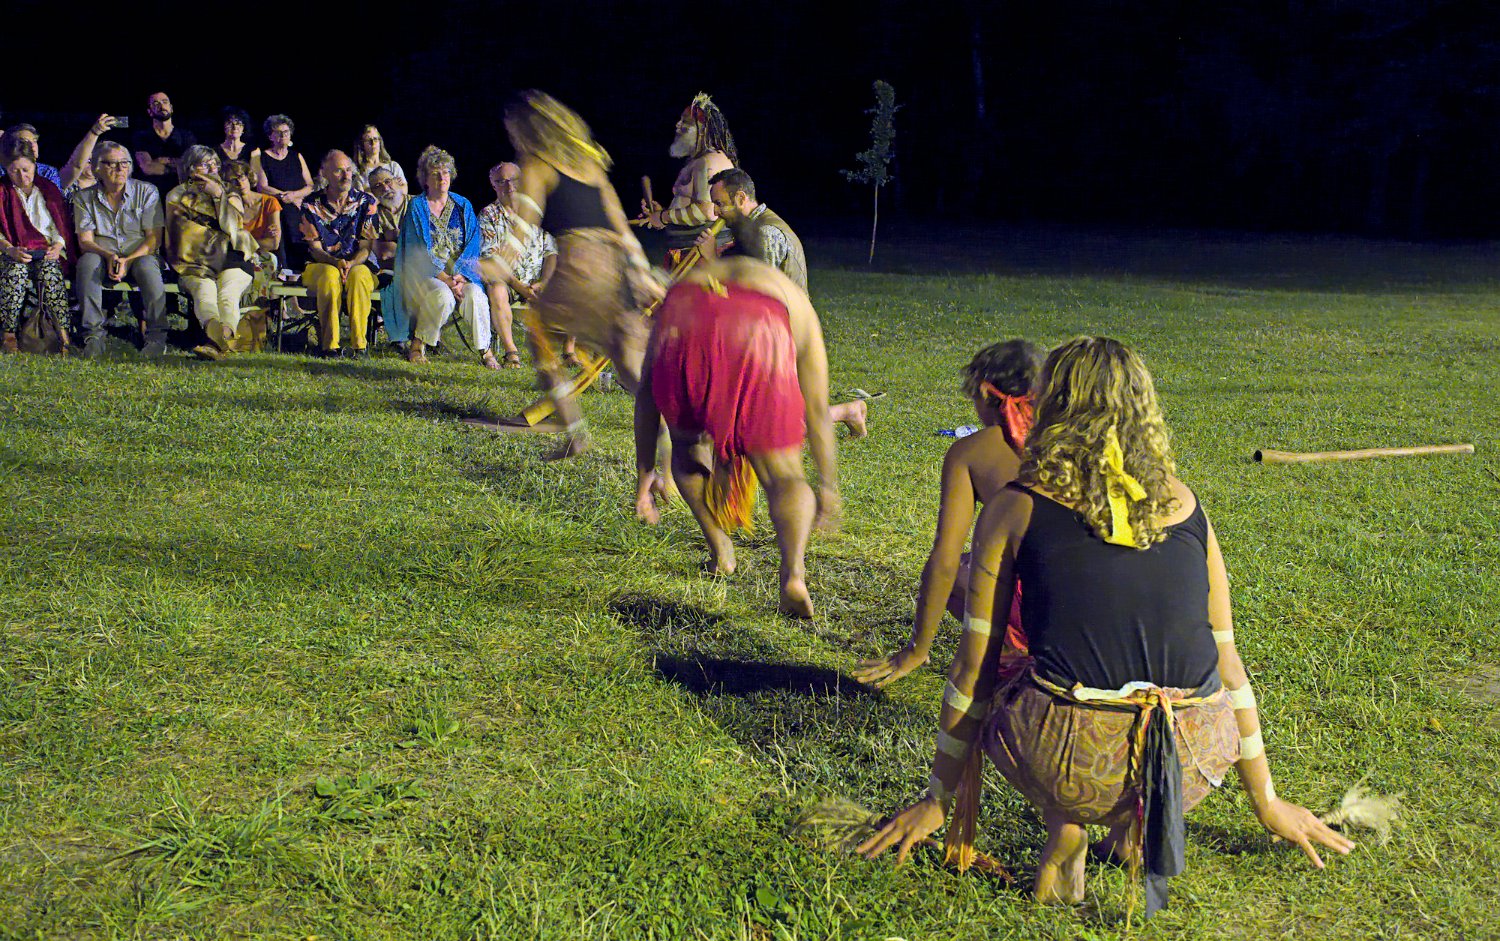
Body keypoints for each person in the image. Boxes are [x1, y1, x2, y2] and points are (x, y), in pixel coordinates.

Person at [857, 337, 1355, 916]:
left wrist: (939, 799)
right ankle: (1136, 821)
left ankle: (1069, 823)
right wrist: (1266, 800)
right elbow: (1229, 664)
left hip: (1069, 759)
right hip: (1190, 758)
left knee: (1013, 669)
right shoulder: (1189, 505)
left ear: (1053, 404)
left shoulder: (1015, 507)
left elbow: (973, 670)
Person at [633, 255, 838, 618]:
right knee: (785, 475)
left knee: (686, 450)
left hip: (685, 318)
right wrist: (827, 483)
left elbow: (648, 392)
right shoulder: (793, 298)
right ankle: (793, 573)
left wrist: (645, 472)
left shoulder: (689, 282)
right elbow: (818, 408)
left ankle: (720, 549)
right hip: (761, 327)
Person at [483, 90, 664, 457]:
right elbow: (623, 232)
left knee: (538, 331)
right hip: (616, 270)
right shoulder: (592, 166)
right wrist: (643, 274)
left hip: (579, 266)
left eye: (513, 130)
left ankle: (575, 432)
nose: (513, 138)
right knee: (631, 367)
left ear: (529, 129)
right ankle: (673, 454)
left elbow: (525, 222)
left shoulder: (538, 164)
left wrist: (501, 262)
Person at [854, 339, 1042, 687]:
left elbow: (943, 562)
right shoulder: (1078, 438)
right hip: (1102, 608)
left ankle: (1016, 663)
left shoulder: (970, 453)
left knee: (958, 574)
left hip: (1039, 610)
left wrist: (915, 649)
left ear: (986, 394)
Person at [387, 147, 491, 365]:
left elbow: (473, 243)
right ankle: (418, 345)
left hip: (461, 275)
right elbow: (418, 249)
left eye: (444, 172)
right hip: (427, 275)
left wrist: (461, 276)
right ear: (425, 179)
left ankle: (486, 351)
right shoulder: (417, 206)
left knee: (476, 296)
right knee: (442, 296)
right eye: (435, 173)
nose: (441, 177)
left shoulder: (463, 205)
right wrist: (445, 278)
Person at [72, 141, 168, 358]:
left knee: (147, 266)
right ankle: (93, 335)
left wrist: (127, 259)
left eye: (124, 164)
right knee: (87, 262)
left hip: (139, 253)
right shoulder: (84, 198)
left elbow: (154, 239)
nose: (120, 169)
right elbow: (85, 241)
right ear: (98, 168)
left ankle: (156, 336)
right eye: (113, 164)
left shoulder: (146, 191)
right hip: (102, 253)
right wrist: (109, 256)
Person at [165, 146, 258, 360]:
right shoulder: (176, 196)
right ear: (190, 169)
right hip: (194, 259)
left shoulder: (229, 192)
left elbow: (233, 227)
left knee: (228, 294)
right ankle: (221, 342)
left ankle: (215, 342)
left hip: (233, 257)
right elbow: (181, 234)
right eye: (205, 164)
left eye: (215, 163)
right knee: (204, 291)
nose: (213, 168)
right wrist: (216, 238)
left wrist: (218, 196)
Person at [636, 92, 736, 266]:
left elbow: (704, 211)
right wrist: (660, 214)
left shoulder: (706, 161)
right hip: (688, 252)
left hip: (697, 257)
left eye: (686, 123)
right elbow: (692, 208)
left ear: (703, 130)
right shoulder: (700, 160)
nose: (677, 125)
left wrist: (664, 217)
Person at [297, 150, 379, 358]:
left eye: (349, 170)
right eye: (339, 171)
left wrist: (350, 264)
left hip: (357, 264)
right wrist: (336, 262)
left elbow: (366, 247)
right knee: (329, 275)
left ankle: (360, 346)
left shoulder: (366, 203)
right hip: (321, 264)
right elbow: (314, 249)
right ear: (324, 174)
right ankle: (329, 346)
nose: (346, 176)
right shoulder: (310, 204)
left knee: (360, 275)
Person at [479, 161, 557, 369]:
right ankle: (511, 351)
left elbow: (551, 251)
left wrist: (543, 282)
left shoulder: (535, 211)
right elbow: (492, 258)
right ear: (494, 186)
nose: (509, 185)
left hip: (537, 280)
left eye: (513, 180)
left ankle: (568, 352)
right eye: (501, 181)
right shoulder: (489, 215)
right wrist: (519, 286)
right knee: (496, 289)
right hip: (508, 281)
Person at [0, 150, 75, 353]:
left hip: (46, 249)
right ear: (6, 170)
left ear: (35, 167)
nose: (21, 176)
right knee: (15, 272)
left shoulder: (48, 189)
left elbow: (60, 226)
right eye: (14, 171)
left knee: (49, 273)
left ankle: (63, 336)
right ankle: (9, 334)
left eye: (26, 170)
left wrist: (58, 245)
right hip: (12, 250)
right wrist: (9, 249)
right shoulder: (2, 190)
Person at [699, 168, 807, 291]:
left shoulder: (766, 234)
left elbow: (755, 294)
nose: (715, 212)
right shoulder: (750, 226)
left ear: (740, 198)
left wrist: (712, 258)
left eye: (719, 204)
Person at [250, 114, 313, 268]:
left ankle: (300, 267)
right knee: (284, 213)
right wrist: (284, 196)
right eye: (278, 132)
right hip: (276, 205)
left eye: (286, 132)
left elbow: (310, 185)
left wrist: (294, 196)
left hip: (298, 204)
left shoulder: (297, 156)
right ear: (271, 136)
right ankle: (285, 269)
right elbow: (262, 186)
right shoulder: (263, 157)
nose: (283, 135)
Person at [133, 92, 196, 198]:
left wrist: (159, 161)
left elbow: (190, 167)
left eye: (165, 102)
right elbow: (147, 167)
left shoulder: (187, 136)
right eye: (156, 103)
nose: (162, 106)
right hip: (151, 196)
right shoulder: (141, 136)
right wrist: (178, 165)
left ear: (171, 108)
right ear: (149, 111)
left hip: (182, 195)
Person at [352, 125, 406, 193]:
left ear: (380, 142)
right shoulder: (358, 173)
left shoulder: (393, 166)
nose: (373, 143)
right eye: (368, 140)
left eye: (375, 139)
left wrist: (372, 190)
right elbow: (362, 198)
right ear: (361, 145)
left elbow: (404, 190)